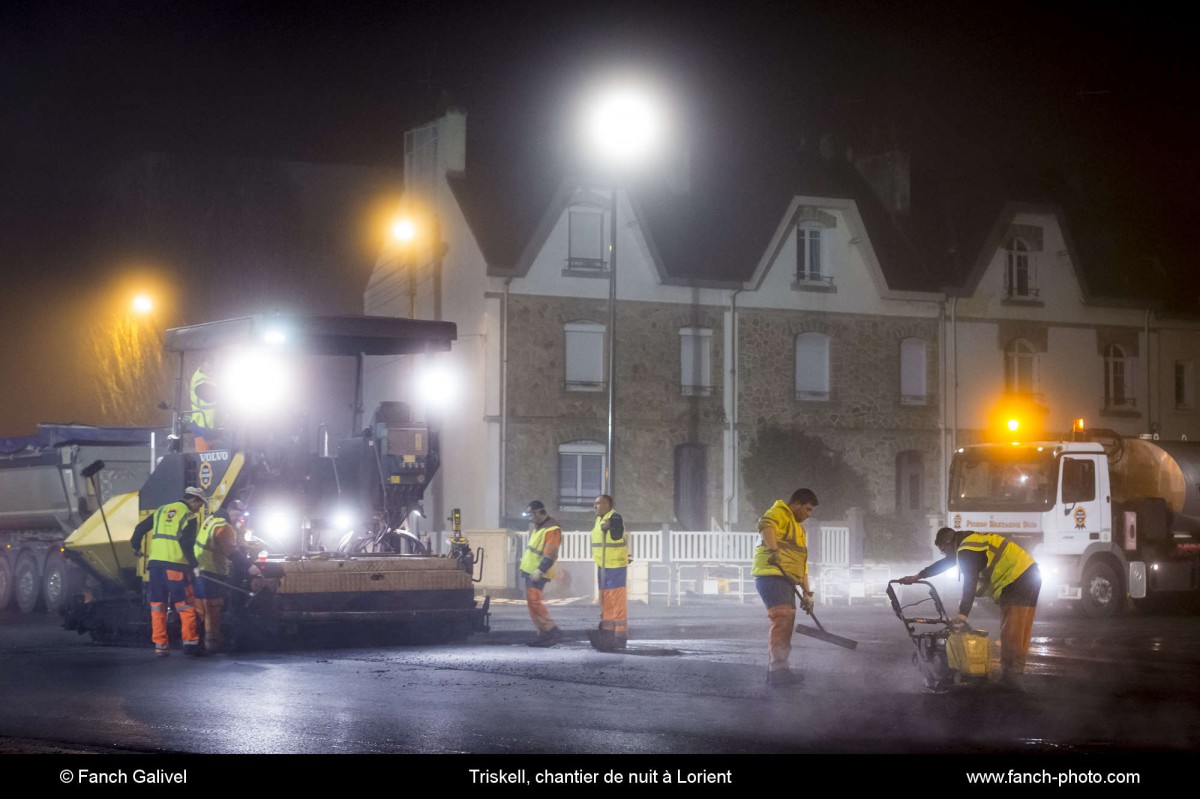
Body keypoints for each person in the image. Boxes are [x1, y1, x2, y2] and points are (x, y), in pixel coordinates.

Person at [900, 527, 1041, 692]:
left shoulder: (967, 550)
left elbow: (970, 583)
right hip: (1029, 574)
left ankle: (1012, 679)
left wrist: (963, 613)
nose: (944, 554)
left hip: (1018, 579)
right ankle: (1012, 675)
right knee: (1020, 631)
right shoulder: (969, 544)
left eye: (943, 550)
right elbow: (945, 564)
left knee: (1012, 630)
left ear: (949, 542)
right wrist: (918, 576)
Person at [751, 488, 819, 685]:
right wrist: (773, 550)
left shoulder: (800, 530)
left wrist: (808, 593)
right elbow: (766, 525)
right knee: (782, 617)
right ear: (796, 504)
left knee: (787, 619)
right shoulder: (779, 512)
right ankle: (777, 672)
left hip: (786, 578)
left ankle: (779, 669)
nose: (808, 514)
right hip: (771, 575)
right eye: (807, 509)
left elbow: (802, 564)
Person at [131, 486, 207, 657]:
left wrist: (135, 546)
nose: (199, 508)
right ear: (194, 500)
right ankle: (190, 644)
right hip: (176, 566)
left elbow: (140, 529)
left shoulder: (161, 511)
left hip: (156, 566)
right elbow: (186, 545)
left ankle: (160, 646)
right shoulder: (189, 516)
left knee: (158, 605)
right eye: (200, 505)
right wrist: (195, 565)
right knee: (185, 605)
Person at [193, 499, 250, 655]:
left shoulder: (212, 519)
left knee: (201, 610)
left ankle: (199, 644)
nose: (240, 519)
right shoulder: (223, 527)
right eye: (239, 515)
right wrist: (249, 566)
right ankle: (212, 644)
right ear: (231, 510)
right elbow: (231, 551)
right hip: (212, 571)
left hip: (201, 570)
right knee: (213, 608)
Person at [519, 500, 563, 647]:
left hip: (538, 572)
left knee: (535, 602)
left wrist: (540, 570)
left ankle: (550, 630)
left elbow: (551, 554)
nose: (530, 518)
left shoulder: (551, 530)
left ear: (539, 513)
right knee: (533, 603)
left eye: (531, 514)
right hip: (531, 571)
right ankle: (543, 633)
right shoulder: (541, 528)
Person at [588, 494, 628, 652]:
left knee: (616, 602)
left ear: (606, 505)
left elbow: (617, 531)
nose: (594, 507)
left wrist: (610, 525)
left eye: (597, 504)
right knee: (605, 601)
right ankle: (607, 633)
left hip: (615, 567)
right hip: (603, 567)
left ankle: (619, 637)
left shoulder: (615, 517)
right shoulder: (599, 520)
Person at [190, 355, 219, 451]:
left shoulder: (210, 377)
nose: (211, 367)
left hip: (212, 427)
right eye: (209, 364)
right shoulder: (200, 381)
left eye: (213, 364)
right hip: (202, 426)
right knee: (204, 461)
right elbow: (210, 395)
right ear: (202, 364)